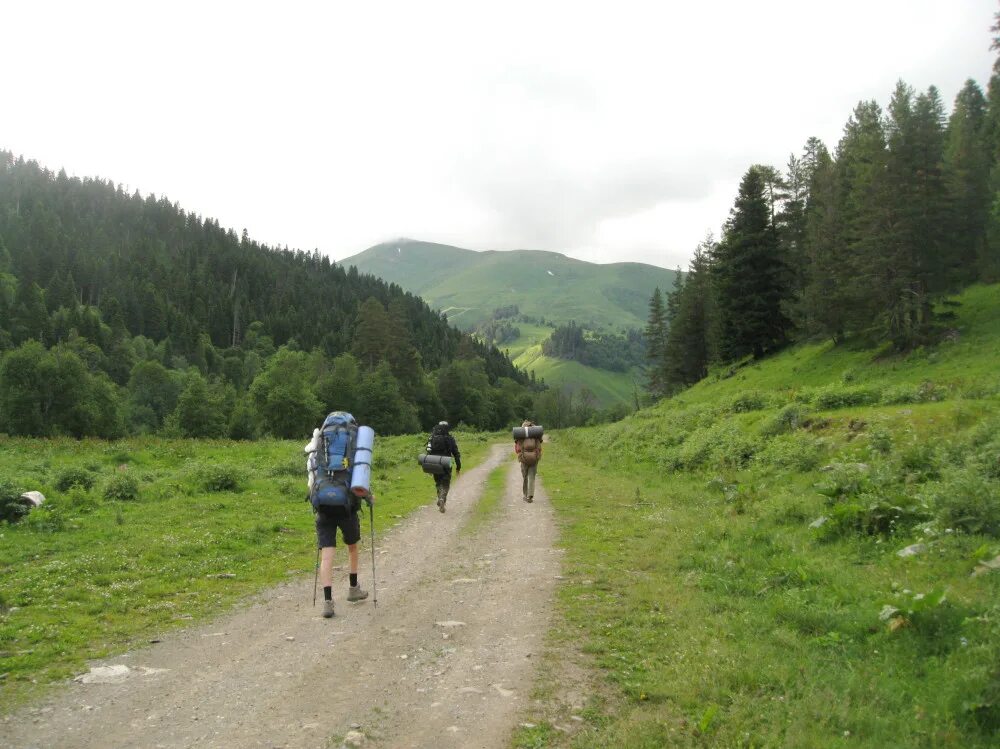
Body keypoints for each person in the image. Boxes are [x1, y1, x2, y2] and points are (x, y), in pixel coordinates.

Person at [305, 412, 370, 619]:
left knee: (327, 554)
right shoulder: (355, 438)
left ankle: (327, 602)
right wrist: (369, 497)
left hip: (323, 504)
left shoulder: (321, 438)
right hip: (346, 505)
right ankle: (353, 589)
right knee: (352, 546)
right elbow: (360, 474)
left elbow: (312, 470)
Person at [426, 421, 461, 512]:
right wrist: (458, 467)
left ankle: (440, 497)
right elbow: (456, 454)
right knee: (446, 482)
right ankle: (442, 498)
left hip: (434, 462)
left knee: (438, 482)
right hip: (446, 463)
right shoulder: (450, 438)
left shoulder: (432, 437)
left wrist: (429, 467)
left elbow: (428, 451)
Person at [514, 419, 542, 503]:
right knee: (532, 476)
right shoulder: (536, 435)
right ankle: (530, 495)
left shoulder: (520, 436)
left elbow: (517, 449)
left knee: (525, 476)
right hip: (534, 458)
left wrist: (520, 456)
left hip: (524, 459)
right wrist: (537, 456)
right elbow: (539, 448)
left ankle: (525, 495)